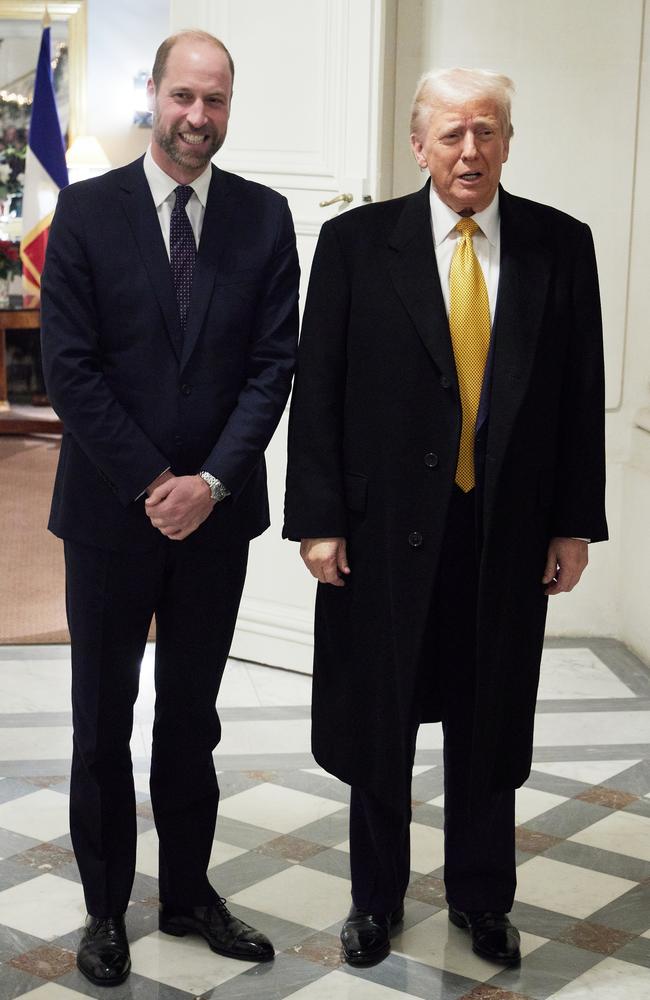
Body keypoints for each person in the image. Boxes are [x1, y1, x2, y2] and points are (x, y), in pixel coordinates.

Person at [283, 68, 607, 968]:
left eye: (489, 132)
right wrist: (318, 521)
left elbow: (582, 397)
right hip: (381, 536)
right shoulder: (354, 244)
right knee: (380, 720)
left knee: (489, 719)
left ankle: (483, 898)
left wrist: (573, 524)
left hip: (505, 531)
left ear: (508, 141)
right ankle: (373, 901)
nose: (472, 151)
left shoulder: (559, 245)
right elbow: (320, 393)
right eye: (454, 134)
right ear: (418, 145)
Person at [41, 30, 299, 987]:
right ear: (154, 94)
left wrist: (213, 484)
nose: (199, 118)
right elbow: (71, 368)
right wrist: (158, 482)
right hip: (111, 515)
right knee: (101, 721)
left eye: (217, 101)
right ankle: (107, 908)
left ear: (231, 105)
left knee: (192, 717)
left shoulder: (264, 218)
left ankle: (187, 893)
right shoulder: (86, 211)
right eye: (185, 96)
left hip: (218, 520)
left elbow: (274, 366)